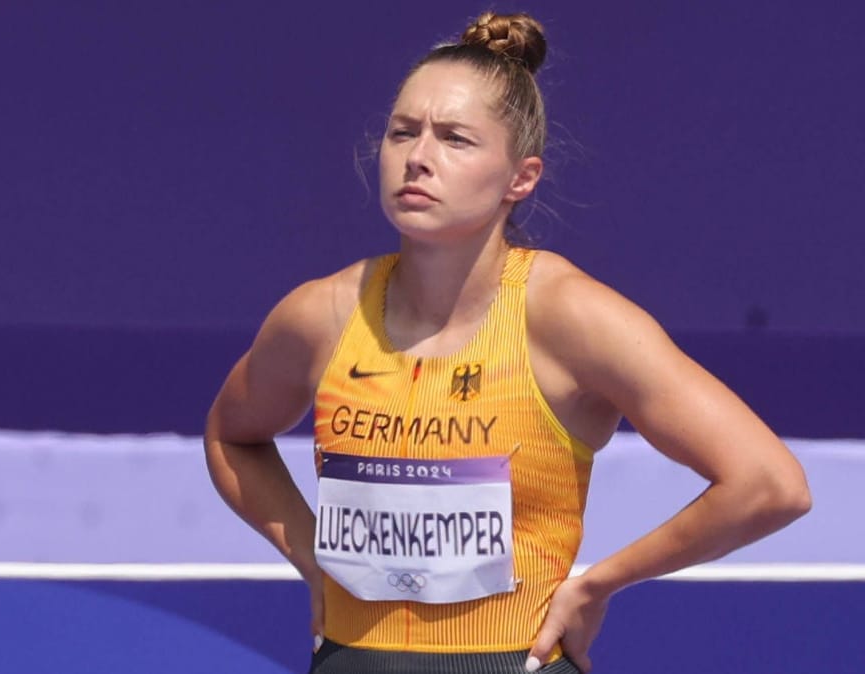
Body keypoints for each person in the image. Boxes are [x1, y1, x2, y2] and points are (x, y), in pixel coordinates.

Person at [203, 10, 811, 674]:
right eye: (403, 132)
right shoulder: (320, 313)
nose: (418, 157)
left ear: (520, 178)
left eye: (456, 139)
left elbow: (768, 484)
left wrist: (599, 584)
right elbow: (232, 435)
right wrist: (314, 557)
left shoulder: (568, 317)